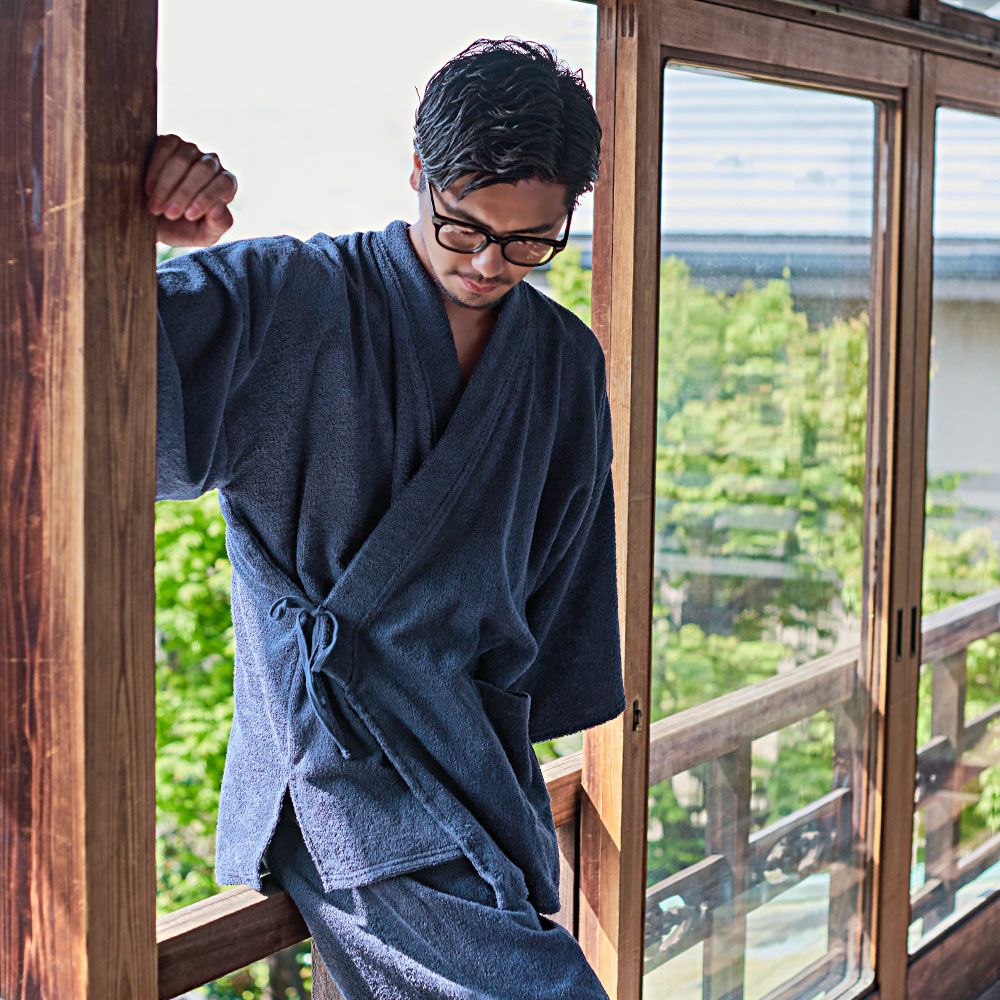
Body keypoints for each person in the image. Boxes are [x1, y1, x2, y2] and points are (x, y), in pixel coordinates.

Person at [149, 36, 624, 999]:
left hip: (476, 765)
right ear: (417, 171)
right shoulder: (288, 297)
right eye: (464, 227)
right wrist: (126, 231)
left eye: (530, 242)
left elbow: (559, 589)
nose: (489, 262)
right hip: (336, 769)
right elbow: (76, 375)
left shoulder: (564, 362)